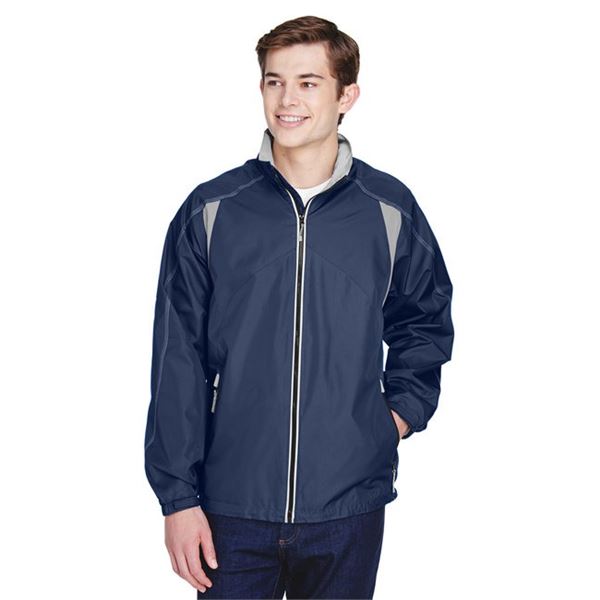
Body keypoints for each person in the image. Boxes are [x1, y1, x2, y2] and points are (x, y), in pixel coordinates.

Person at [144, 15, 454, 599]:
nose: (287, 100)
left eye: (308, 82)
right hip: (231, 504)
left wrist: (394, 418)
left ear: (346, 95)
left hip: (348, 506)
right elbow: (177, 358)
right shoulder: (211, 209)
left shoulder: (389, 209)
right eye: (274, 81)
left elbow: (425, 320)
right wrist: (178, 499)